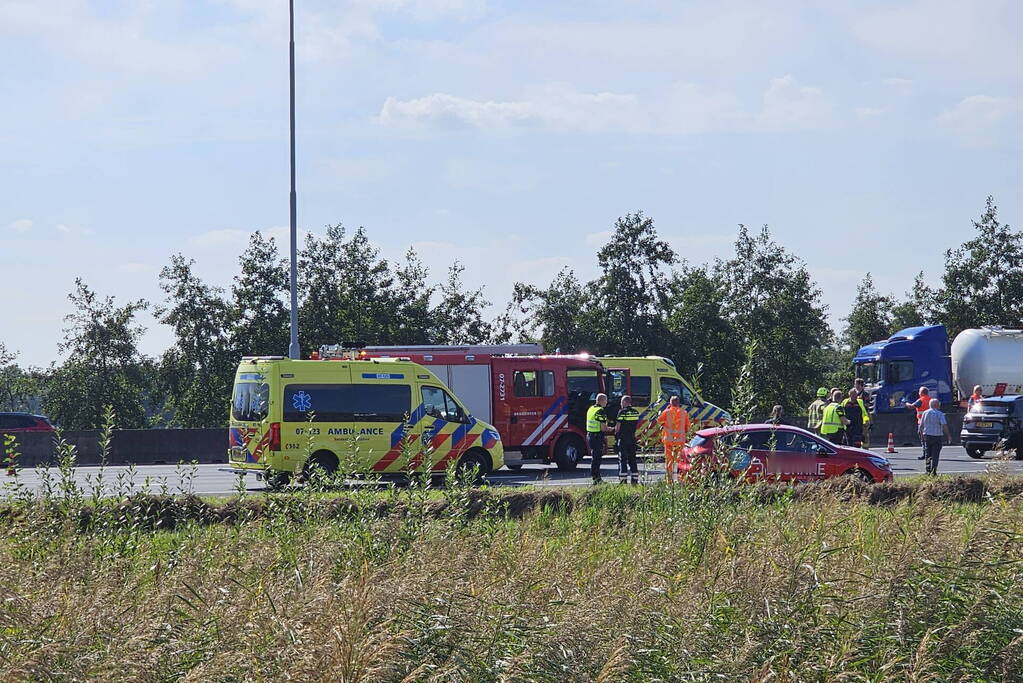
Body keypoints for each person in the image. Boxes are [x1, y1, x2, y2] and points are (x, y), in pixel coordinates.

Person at [657, 395, 691, 484]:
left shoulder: (667, 412)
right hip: (680, 441)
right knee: (680, 461)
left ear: (670, 403)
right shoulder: (684, 413)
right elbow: (687, 428)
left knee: (669, 461)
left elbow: (659, 421)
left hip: (669, 441)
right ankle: (681, 480)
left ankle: (669, 481)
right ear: (679, 403)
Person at [918, 398, 952, 475]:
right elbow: (944, 425)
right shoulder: (940, 414)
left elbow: (921, 425)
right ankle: (934, 471)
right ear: (936, 405)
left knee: (928, 453)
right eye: (938, 404)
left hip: (927, 435)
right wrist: (949, 436)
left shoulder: (925, 413)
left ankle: (927, 470)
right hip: (937, 436)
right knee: (935, 454)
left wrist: (921, 434)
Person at [586, 393, 613, 484]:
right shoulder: (600, 411)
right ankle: (597, 478)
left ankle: (595, 477)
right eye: (605, 400)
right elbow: (603, 428)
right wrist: (612, 429)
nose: (607, 402)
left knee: (594, 457)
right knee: (597, 458)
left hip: (590, 435)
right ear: (601, 400)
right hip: (597, 436)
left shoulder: (591, 409)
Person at [615, 395, 641, 485]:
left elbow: (618, 428)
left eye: (622, 402)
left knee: (623, 459)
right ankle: (634, 480)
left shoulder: (622, 412)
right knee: (632, 459)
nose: (621, 404)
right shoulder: (636, 412)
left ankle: (623, 481)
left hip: (623, 439)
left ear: (625, 402)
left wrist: (614, 432)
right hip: (632, 438)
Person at [907, 387, 930, 459]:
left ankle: (925, 454)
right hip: (931, 422)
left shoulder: (920, 400)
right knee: (930, 439)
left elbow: (911, 407)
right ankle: (930, 453)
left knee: (923, 439)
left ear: (922, 392)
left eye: (919, 392)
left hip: (922, 423)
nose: (919, 393)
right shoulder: (931, 399)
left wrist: (906, 403)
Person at [853, 378, 872, 447]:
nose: (855, 386)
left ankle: (865, 448)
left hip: (864, 416)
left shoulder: (865, 394)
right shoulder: (854, 393)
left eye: (856, 384)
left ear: (859, 385)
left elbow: (867, 405)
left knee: (864, 434)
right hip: (856, 416)